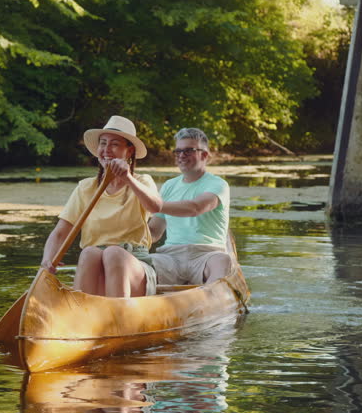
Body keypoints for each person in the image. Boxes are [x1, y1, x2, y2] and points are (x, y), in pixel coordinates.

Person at [40, 115, 163, 297]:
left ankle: (119, 315)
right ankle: (83, 313)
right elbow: (60, 232)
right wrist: (47, 260)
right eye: (103, 143)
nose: (106, 150)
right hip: (95, 265)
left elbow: (155, 207)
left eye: (114, 144)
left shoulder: (142, 181)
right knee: (89, 253)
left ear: (129, 152)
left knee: (113, 253)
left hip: (135, 265)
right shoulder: (85, 187)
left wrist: (127, 178)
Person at [149, 128, 233, 285]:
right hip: (170, 257)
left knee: (223, 260)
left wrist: (154, 205)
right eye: (178, 151)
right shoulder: (169, 186)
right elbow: (154, 231)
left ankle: (209, 302)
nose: (181, 155)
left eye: (188, 151)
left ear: (204, 155)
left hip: (207, 255)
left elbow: (195, 208)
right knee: (140, 264)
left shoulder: (218, 184)